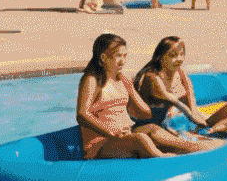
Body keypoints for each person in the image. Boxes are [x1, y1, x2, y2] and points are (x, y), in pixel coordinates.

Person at [75, 34, 213, 158]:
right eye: (118, 56)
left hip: (125, 134)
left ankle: (198, 148)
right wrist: (111, 132)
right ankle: (165, 158)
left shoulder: (123, 79)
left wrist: (142, 96)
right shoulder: (91, 80)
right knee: (141, 139)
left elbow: (145, 113)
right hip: (101, 142)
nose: (122, 61)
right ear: (104, 57)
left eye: (125, 56)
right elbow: (82, 114)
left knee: (153, 129)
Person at [134, 35, 227, 138]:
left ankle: (216, 128)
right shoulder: (152, 78)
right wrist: (194, 119)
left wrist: (200, 119)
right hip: (162, 127)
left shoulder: (180, 73)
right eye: (173, 55)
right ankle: (218, 129)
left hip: (185, 121)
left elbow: (192, 104)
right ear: (160, 57)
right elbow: (175, 102)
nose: (179, 59)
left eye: (182, 54)